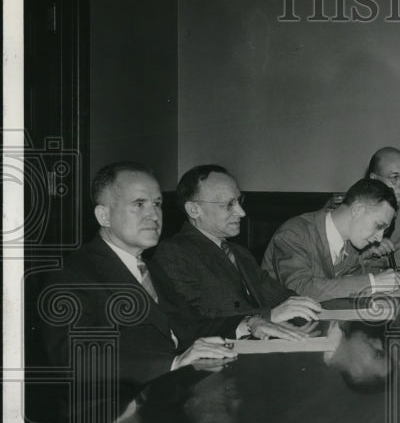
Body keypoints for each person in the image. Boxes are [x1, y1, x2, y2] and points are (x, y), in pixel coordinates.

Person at [41, 163, 304, 396]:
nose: (153, 215)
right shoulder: (72, 273)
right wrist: (173, 364)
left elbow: (188, 325)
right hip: (113, 415)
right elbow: (74, 358)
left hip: (170, 394)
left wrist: (249, 324)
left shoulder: (149, 268)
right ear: (104, 216)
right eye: (138, 204)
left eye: (156, 204)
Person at [155, 164, 323, 325]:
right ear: (194, 210)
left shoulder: (239, 252)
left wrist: (311, 308)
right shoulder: (174, 252)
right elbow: (193, 321)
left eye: (239, 201)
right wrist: (269, 316)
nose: (242, 213)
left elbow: (279, 297)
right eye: (229, 205)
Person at [263, 178, 400, 300]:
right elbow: (300, 290)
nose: (379, 237)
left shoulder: (351, 242)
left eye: (384, 230)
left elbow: (346, 281)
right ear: (357, 210)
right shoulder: (294, 233)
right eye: (378, 226)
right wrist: (371, 283)